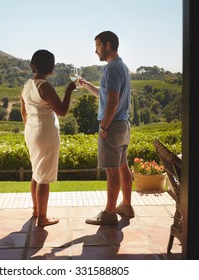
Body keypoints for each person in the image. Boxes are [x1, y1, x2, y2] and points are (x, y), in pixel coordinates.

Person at [78, 31, 134, 226]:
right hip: (123, 125)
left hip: (112, 125)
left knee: (112, 171)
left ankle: (109, 213)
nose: (95, 51)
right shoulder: (122, 67)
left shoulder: (111, 69)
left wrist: (103, 126)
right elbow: (105, 94)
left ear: (107, 45)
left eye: (98, 46)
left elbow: (112, 101)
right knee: (122, 166)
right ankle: (126, 205)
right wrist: (86, 85)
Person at [20, 49, 76, 227]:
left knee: (37, 172)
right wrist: (70, 89)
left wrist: (31, 128)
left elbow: (24, 112)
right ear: (50, 66)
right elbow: (62, 111)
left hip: (31, 130)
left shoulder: (27, 85)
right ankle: (42, 218)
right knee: (43, 176)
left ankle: (37, 210)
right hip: (45, 133)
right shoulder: (44, 85)